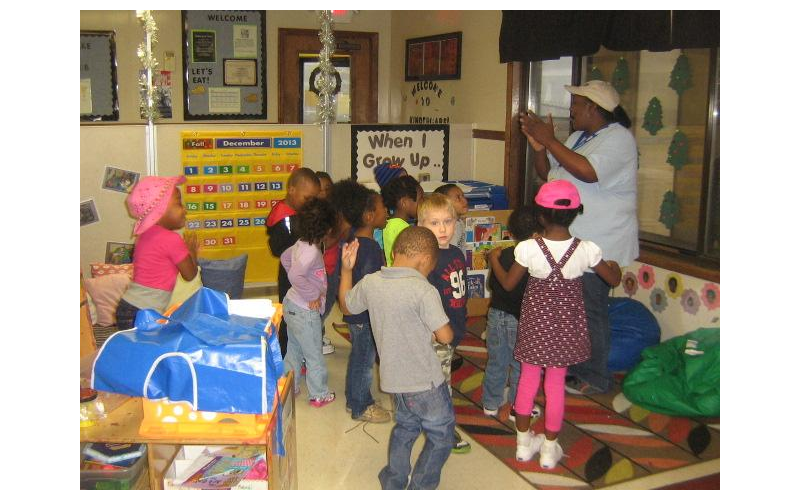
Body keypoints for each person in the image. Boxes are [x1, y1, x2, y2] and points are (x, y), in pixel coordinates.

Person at [488, 180, 621, 469]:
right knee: (556, 384)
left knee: (527, 379)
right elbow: (612, 279)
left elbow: (509, 284)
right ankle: (549, 449)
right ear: (576, 213)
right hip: (565, 330)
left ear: (541, 215)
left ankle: (523, 445)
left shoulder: (528, 248)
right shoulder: (587, 249)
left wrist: (493, 261)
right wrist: (616, 268)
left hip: (535, 327)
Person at [519, 79, 638, 395]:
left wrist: (550, 139)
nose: (570, 111)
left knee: (591, 309)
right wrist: (540, 147)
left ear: (594, 108)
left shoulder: (619, 140)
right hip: (572, 240)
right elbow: (550, 174)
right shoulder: (577, 137)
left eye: (576, 105)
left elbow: (588, 172)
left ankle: (596, 376)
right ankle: (569, 365)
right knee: (571, 310)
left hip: (600, 241)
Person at [339, 226, 455, 490]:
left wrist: (347, 269)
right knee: (442, 434)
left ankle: (393, 480)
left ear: (393, 252)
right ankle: (421, 485)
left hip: (394, 380)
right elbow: (446, 336)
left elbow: (346, 305)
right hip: (426, 382)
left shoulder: (371, 282)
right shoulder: (423, 290)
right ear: (425, 261)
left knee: (406, 428)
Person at [416, 193, 470, 454]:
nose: (442, 228)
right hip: (436, 334)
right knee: (441, 385)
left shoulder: (457, 252)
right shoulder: (426, 259)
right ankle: (445, 431)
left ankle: (423, 418)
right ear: (421, 227)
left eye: (448, 221)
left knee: (436, 382)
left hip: (454, 328)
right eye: (434, 223)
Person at [481, 205, 542, 422]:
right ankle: (519, 408)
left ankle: (490, 404)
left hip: (496, 316)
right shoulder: (538, 260)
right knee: (520, 366)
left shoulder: (505, 253)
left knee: (496, 361)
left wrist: (493, 261)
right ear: (536, 235)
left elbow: (492, 283)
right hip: (521, 320)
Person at [337, 182, 391, 423]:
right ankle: (360, 405)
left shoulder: (353, 238)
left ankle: (355, 396)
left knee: (359, 357)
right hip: (365, 316)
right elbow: (371, 287)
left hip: (356, 314)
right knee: (364, 360)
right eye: (382, 208)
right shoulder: (368, 248)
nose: (386, 211)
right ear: (369, 216)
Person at [116, 176, 198, 330]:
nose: (185, 209)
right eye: (179, 203)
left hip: (128, 306)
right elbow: (190, 275)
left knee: (138, 352)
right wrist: (192, 252)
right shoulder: (172, 239)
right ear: (160, 210)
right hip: (144, 311)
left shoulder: (144, 235)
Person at [281, 197, 338, 407]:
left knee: (294, 350)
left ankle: (289, 387)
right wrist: (312, 294)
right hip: (305, 312)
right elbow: (295, 276)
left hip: (292, 306)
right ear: (326, 229)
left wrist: (300, 289)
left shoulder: (300, 244)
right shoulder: (312, 251)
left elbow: (285, 260)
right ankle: (319, 394)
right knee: (314, 355)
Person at [266, 168, 321, 357]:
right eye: (307, 198)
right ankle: (284, 355)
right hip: (291, 276)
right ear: (292, 190)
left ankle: (300, 353)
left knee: (304, 313)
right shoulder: (284, 216)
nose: (310, 204)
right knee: (290, 314)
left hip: (303, 273)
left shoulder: (298, 212)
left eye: (314, 199)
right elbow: (277, 247)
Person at [316, 170, 338, 356]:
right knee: (321, 305)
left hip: (334, 268)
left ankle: (318, 333)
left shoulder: (334, 211)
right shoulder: (315, 215)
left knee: (327, 304)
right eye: (320, 189)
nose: (324, 193)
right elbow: (325, 242)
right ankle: (314, 338)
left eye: (328, 189)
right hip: (320, 271)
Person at [381, 175, 423, 266]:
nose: (423, 204)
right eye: (420, 200)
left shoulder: (390, 224)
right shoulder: (401, 228)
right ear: (404, 203)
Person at [433, 183, 469, 255]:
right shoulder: (445, 229)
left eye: (463, 196)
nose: (465, 201)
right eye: (458, 198)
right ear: (444, 203)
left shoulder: (459, 222)